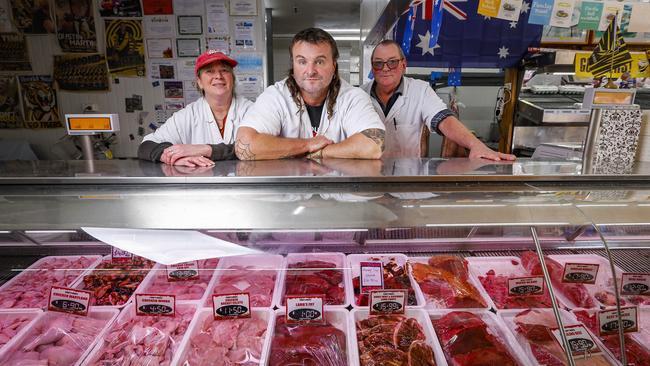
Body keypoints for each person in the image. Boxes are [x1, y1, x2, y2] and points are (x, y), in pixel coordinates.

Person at [235, 28, 385, 160]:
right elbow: (245, 146)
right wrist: (307, 144)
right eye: (302, 62)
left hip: (339, 189)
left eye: (319, 61)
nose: (311, 70)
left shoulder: (353, 97)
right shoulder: (275, 96)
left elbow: (374, 145)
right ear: (293, 65)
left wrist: (318, 153)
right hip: (288, 189)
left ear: (334, 65)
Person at [362, 40, 516, 161]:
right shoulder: (360, 94)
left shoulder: (420, 90)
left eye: (392, 62)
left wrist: (476, 145)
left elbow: (443, 118)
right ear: (372, 67)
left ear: (404, 65)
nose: (385, 68)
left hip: (407, 179)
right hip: (369, 176)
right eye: (378, 63)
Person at [138, 51, 252, 166]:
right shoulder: (188, 115)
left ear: (232, 79)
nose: (218, 76)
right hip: (201, 183)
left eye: (224, 70)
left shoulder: (250, 110)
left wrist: (206, 149)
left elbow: (261, 147)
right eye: (210, 71)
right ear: (199, 82)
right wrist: (173, 158)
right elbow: (146, 146)